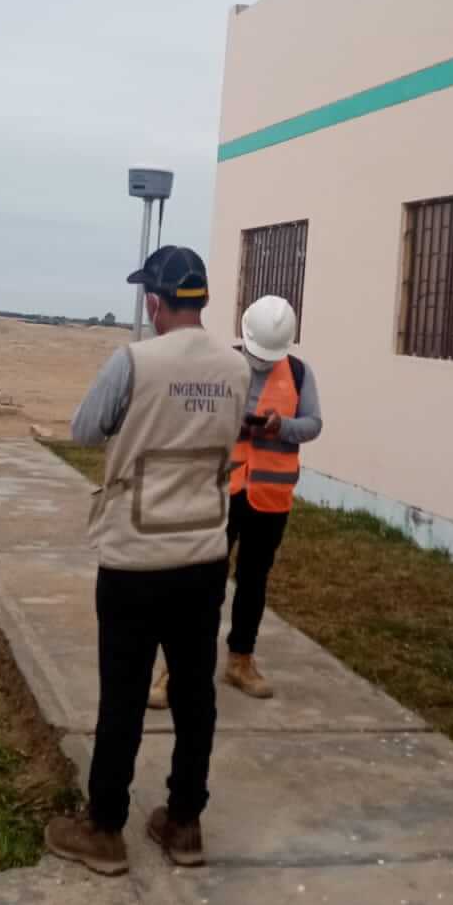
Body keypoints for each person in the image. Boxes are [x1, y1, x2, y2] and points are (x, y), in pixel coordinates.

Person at [44, 246, 250, 877]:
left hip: (134, 557)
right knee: (194, 693)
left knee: (124, 694)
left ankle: (105, 828)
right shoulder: (238, 367)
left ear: (154, 303)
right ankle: (185, 823)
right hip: (204, 554)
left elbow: (84, 430)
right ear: (202, 301)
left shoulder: (133, 361)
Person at [148, 293, 322, 708]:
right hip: (220, 493)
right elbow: (192, 418)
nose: (261, 363)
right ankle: (178, 665)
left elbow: (313, 424)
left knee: (253, 581)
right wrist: (230, 424)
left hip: (270, 498)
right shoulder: (219, 365)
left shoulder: (299, 373)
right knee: (200, 581)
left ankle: (241, 660)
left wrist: (282, 427)